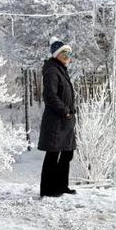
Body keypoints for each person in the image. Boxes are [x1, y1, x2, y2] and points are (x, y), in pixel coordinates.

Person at [38, 37, 77, 198]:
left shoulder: (60, 69)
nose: (68, 56)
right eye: (64, 53)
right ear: (56, 54)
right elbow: (50, 96)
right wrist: (65, 111)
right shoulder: (52, 71)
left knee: (67, 153)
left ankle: (61, 186)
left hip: (65, 121)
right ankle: (48, 190)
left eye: (69, 53)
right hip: (56, 121)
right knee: (53, 154)